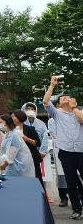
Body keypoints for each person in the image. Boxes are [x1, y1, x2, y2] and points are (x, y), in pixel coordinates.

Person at [44, 75, 83, 220]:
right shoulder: (57, 113)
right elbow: (46, 102)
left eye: (68, 97)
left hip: (81, 152)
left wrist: (74, 107)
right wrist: (52, 85)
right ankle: (77, 209)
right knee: (71, 181)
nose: (66, 98)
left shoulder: (79, 110)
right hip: (66, 152)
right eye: (63, 98)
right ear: (59, 104)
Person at [12, 109, 46, 194]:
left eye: (14, 116)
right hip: (18, 159)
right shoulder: (11, 130)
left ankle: (42, 196)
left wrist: (26, 138)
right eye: (11, 116)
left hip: (32, 157)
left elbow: (38, 143)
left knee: (37, 177)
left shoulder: (30, 129)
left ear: (19, 117)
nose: (12, 118)